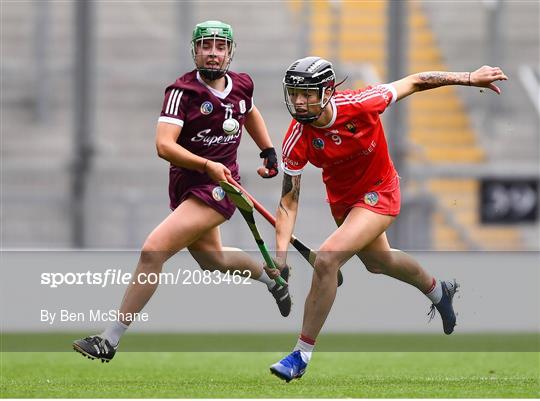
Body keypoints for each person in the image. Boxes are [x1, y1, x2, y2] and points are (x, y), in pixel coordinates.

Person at [267, 56, 508, 381]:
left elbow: (416, 80)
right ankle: (440, 291)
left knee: (327, 259)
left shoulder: (363, 103)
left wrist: (468, 77)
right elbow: (288, 202)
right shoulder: (297, 137)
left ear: (326, 91)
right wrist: (280, 254)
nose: (298, 101)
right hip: (344, 204)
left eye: (306, 93)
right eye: (294, 93)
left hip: (380, 192)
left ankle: (301, 355)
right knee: (379, 262)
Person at [72, 20, 291, 363]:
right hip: (189, 184)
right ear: (195, 50)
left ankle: (109, 340)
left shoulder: (242, 85)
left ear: (230, 52)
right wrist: (205, 165)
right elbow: (164, 145)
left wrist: (267, 150)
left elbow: (248, 111)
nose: (213, 53)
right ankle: (273, 281)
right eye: (206, 46)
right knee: (214, 261)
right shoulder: (182, 92)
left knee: (153, 250)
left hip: (219, 189)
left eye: (220, 47)